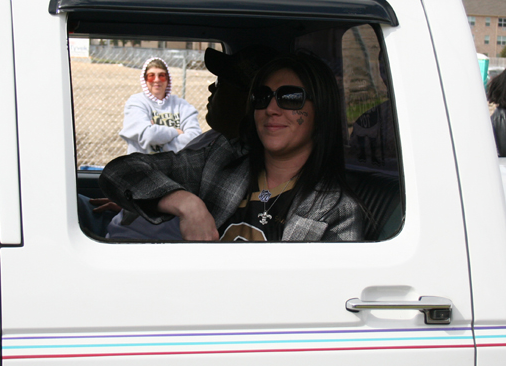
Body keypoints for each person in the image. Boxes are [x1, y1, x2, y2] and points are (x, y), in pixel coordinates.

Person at [99, 51, 364, 242]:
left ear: (321, 111)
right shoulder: (220, 159)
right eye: (261, 97)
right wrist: (185, 203)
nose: (271, 109)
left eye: (290, 98)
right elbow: (120, 171)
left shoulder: (336, 209)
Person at [88, 45, 278, 241]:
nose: (212, 87)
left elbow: (163, 137)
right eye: (150, 76)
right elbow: (129, 161)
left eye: (222, 82)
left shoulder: (221, 151)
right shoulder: (217, 144)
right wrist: (156, 200)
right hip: (122, 224)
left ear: (248, 98)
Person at [119, 57, 201, 154]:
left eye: (162, 76)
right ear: (145, 80)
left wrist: (158, 142)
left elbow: (195, 139)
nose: (157, 80)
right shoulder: (136, 103)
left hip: (173, 167)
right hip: (142, 166)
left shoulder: (181, 105)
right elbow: (148, 135)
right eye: (151, 76)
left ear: (167, 79)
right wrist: (176, 132)